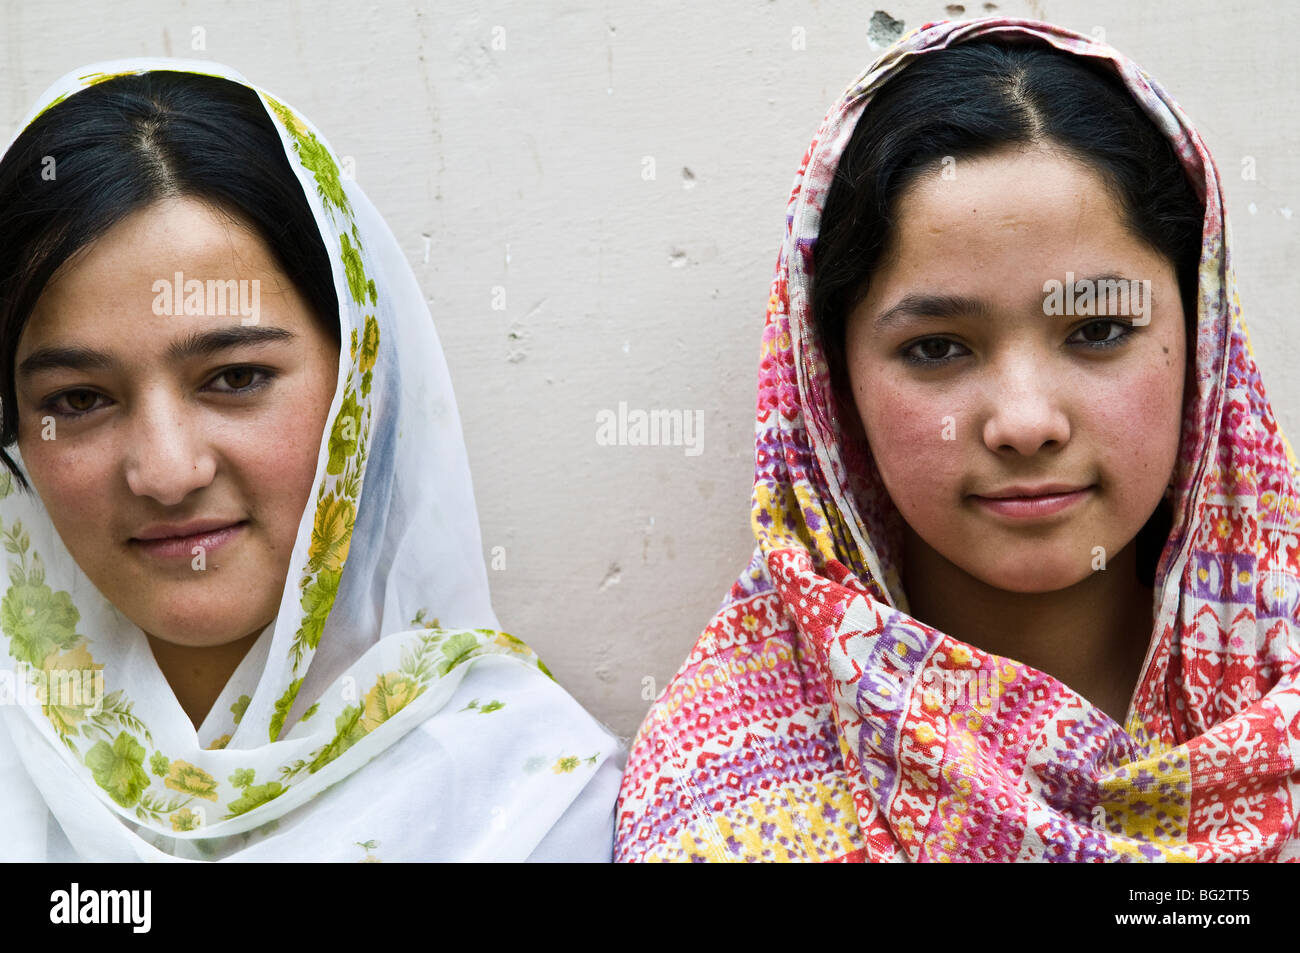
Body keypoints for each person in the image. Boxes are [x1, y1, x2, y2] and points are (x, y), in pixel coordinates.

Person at [616, 17, 1300, 862]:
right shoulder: (730, 799)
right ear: (831, 390)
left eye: (1097, 330)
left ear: (1202, 348)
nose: (1024, 421)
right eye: (937, 348)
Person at [0, 58, 623, 861]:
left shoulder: (528, 801)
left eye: (234, 378)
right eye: (79, 400)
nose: (165, 470)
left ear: (361, 385)